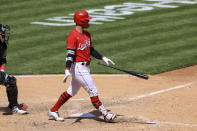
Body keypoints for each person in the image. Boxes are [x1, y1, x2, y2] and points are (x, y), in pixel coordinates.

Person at [48, 10, 116, 122]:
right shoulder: (73, 36)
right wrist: (66, 69)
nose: (89, 21)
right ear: (81, 21)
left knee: (71, 91)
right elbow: (70, 54)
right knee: (92, 91)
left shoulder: (87, 34)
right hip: (78, 68)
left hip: (85, 67)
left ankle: (53, 110)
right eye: (87, 20)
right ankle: (106, 114)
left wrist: (103, 58)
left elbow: (91, 50)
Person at [0, 24, 28, 114]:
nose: (4, 34)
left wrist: (2, 71)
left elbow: (2, 61)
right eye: (2, 33)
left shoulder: (3, 45)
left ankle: (13, 105)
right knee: (10, 81)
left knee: (10, 81)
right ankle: (14, 107)